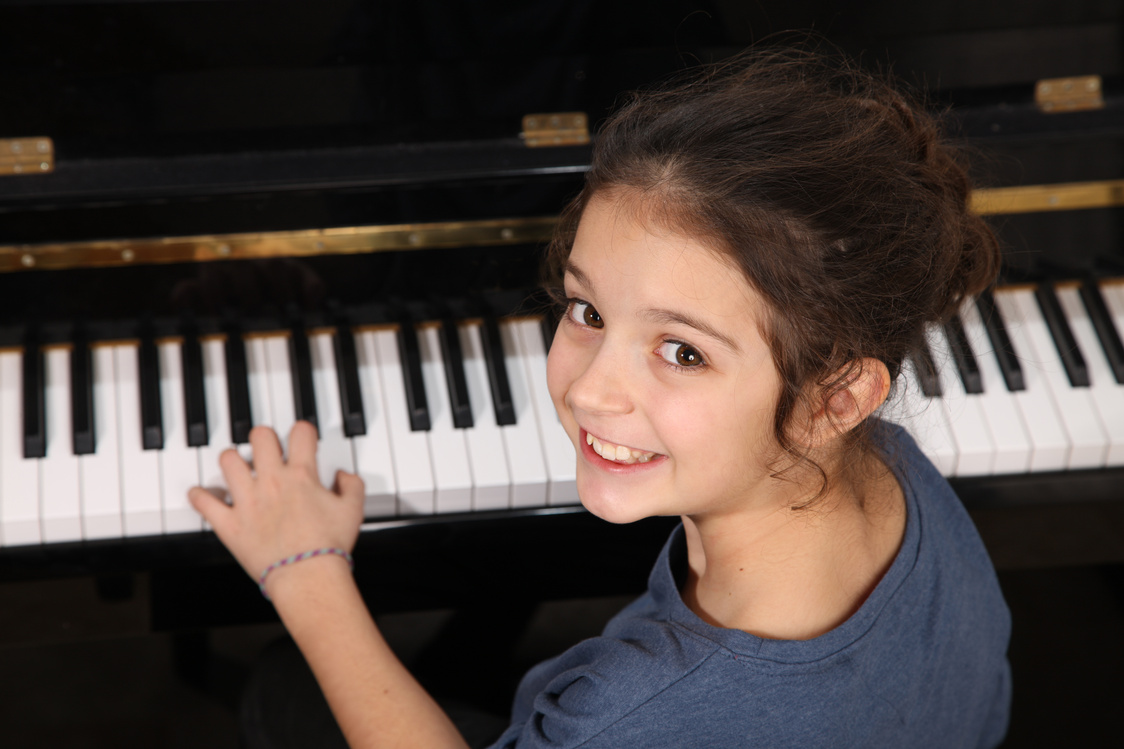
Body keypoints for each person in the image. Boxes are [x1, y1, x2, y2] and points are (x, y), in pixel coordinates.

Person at [189, 43, 1012, 748]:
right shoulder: (893, 466)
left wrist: (305, 572)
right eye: (586, 310)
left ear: (836, 399)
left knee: (282, 689)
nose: (586, 388)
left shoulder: (626, 708)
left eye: (682, 350)